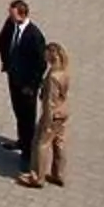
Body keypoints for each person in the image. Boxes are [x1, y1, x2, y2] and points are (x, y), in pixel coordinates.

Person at [0, 0, 49, 172]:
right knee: (18, 111)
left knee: (28, 118)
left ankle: (28, 153)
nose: (9, 17)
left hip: (27, 85)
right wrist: (6, 63)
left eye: (12, 14)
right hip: (14, 78)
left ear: (23, 14)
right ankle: (21, 141)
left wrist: (32, 85)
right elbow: (3, 39)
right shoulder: (11, 25)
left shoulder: (34, 35)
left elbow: (41, 64)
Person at [19, 40, 71, 188]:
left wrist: (47, 121)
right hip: (63, 112)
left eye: (46, 53)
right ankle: (58, 174)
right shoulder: (64, 70)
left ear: (50, 55)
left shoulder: (53, 76)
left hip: (53, 115)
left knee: (41, 143)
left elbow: (49, 101)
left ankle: (36, 177)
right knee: (59, 142)